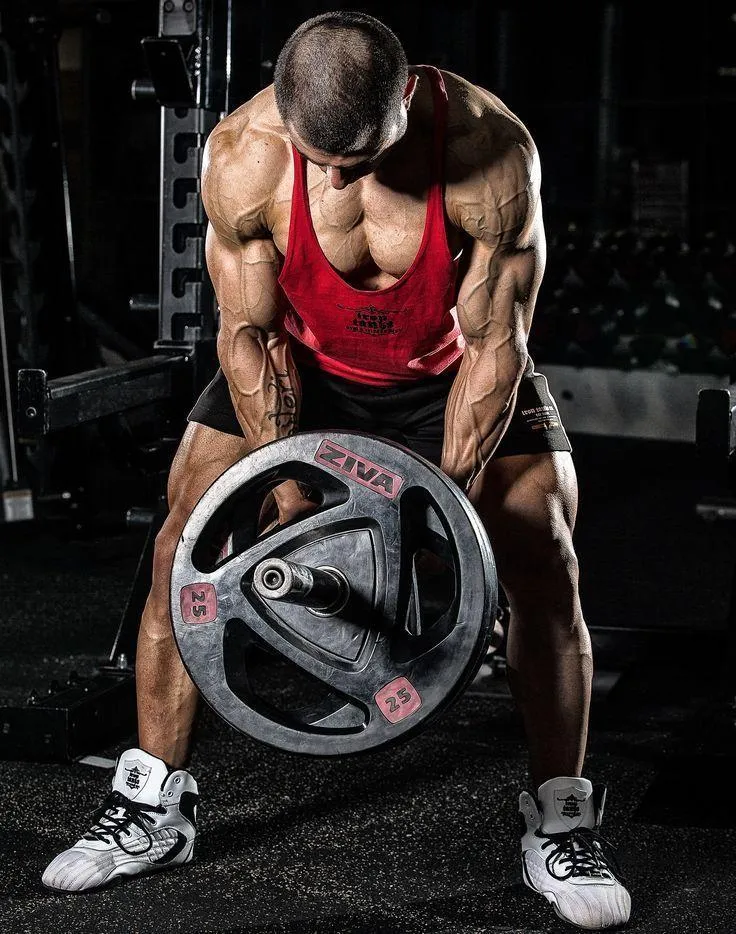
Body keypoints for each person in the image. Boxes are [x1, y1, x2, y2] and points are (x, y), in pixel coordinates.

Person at [42, 11, 631, 929]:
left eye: (357, 161)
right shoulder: (246, 154)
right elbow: (252, 335)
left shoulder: (489, 152)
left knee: (544, 556)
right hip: (304, 375)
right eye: (321, 159)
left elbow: (496, 348)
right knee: (179, 550)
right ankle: (153, 804)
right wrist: (289, 490)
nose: (336, 178)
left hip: (450, 375)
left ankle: (560, 814)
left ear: (407, 96)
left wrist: (440, 524)